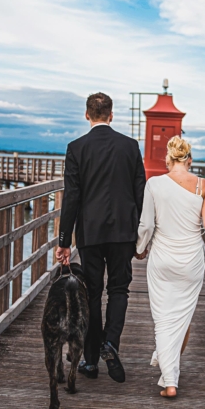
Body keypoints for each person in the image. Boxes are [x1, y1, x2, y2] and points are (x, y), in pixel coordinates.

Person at [57, 92, 146, 382]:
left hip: (90, 232)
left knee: (92, 294)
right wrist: (141, 234)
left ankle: (92, 361)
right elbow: (140, 193)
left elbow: (71, 197)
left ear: (87, 115)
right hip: (123, 232)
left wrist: (63, 242)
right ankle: (111, 343)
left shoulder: (76, 148)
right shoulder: (130, 147)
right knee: (119, 289)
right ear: (111, 115)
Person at [135, 136, 205, 397]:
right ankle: (169, 373)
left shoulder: (154, 184)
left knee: (164, 318)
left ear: (168, 158)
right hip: (191, 261)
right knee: (182, 317)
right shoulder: (203, 185)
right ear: (189, 160)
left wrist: (140, 248)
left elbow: (146, 225)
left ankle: (170, 380)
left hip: (162, 259)